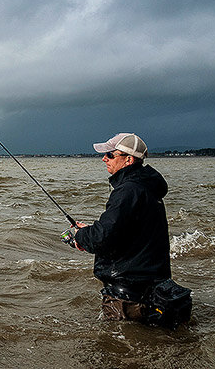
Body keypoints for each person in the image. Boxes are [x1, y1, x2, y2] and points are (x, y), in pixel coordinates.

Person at [63, 133, 178, 323]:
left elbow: (103, 237)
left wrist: (81, 235)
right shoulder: (147, 187)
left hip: (129, 297)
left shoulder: (128, 190)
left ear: (128, 160)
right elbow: (128, 233)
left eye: (110, 155)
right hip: (153, 290)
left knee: (115, 350)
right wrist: (89, 233)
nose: (104, 158)